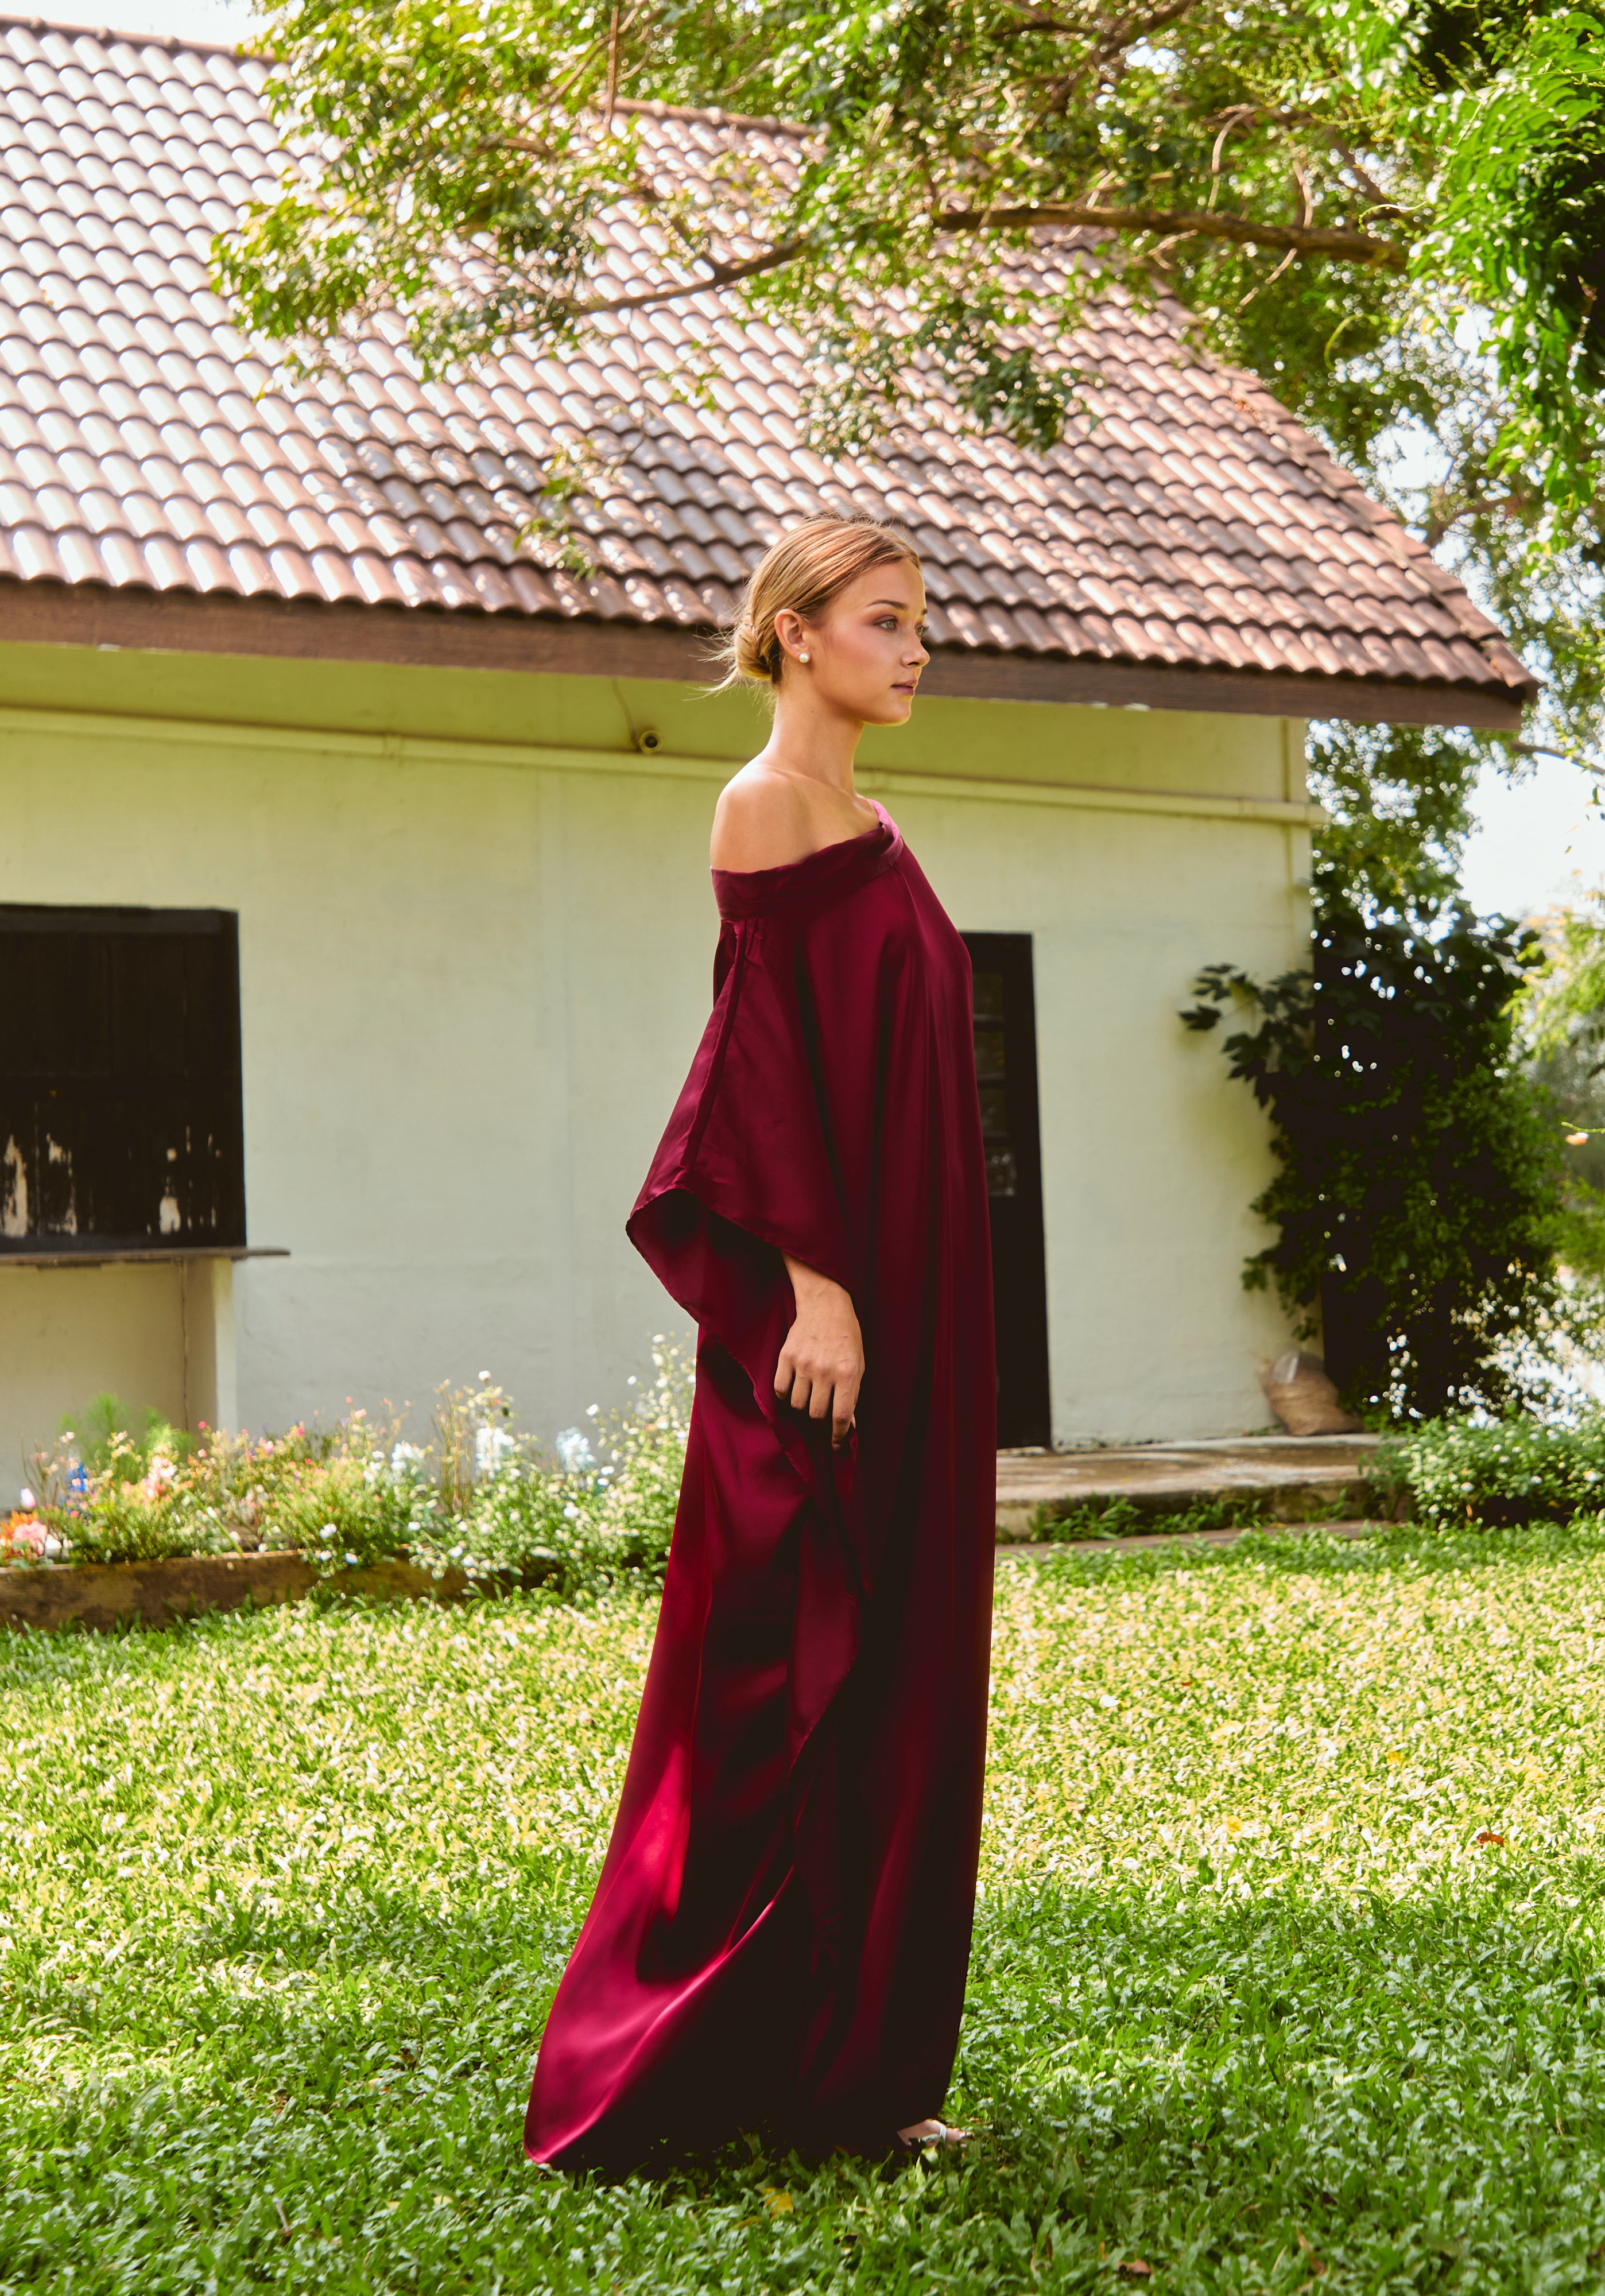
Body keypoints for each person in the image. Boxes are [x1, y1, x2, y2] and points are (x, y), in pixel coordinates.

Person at [524, 514, 996, 2171]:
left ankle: (861, 2080)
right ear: (796, 632)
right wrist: (818, 1286)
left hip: (920, 1304)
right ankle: (669, 2059)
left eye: (920, 623)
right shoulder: (765, 804)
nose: (916, 648)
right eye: (885, 619)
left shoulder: (879, 826)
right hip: (826, 1320)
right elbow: (758, 1061)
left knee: (906, 1681)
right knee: (772, 1674)